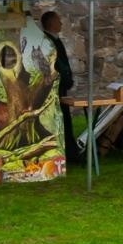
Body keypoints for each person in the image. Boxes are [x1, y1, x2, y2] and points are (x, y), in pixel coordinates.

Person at [40, 10, 82, 161]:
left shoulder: (54, 40)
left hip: (60, 86)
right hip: (54, 87)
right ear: (51, 23)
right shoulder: (48, 41)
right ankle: (67, 153)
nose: (61, 23)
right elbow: (57, 65)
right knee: (59, 119)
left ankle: (69, 151)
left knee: (63, 119)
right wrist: (66, 79)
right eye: (58, 20)